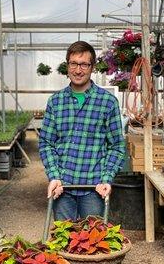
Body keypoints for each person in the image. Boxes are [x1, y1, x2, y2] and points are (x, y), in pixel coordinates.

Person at [39, 41, 125, 221]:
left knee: (93, 242)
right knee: (64, 241)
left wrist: (106, 178)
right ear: (67, 65)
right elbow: (46, 143)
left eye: (84, 64)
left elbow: (116, 146)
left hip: (94, 188)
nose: (78, 70)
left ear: (92, 67)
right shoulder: (56, 102)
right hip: (63, 186)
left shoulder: (107, 102)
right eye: (74, 64)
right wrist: (54, 176)